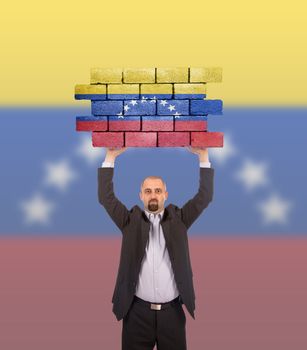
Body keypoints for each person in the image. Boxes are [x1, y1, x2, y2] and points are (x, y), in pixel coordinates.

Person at [98, 146, 214, 350]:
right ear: (141, 195)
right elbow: (106, 198)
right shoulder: (129, 221)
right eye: (148, 191)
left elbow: (204, 198)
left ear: (165, 195)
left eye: (158, 191)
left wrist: (203, 157)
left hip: (173, 314)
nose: (153, 195)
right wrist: (110, 157)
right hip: (136, 314)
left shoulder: (180, 219)